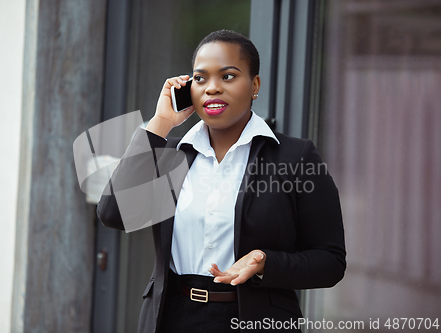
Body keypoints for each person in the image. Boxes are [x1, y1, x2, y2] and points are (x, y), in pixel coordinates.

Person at [97, 29, 346, 333]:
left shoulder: (295, 157)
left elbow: (330, 261)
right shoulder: (171, 153)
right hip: (171, 319)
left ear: (254, 85)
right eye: (200, 79)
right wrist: (159, 125)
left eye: (228, 76)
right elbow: (113, 214)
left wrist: (266, 261)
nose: (212, 88)